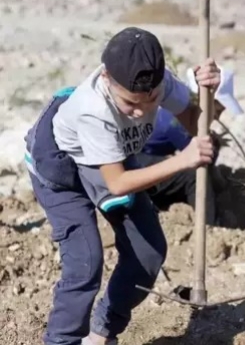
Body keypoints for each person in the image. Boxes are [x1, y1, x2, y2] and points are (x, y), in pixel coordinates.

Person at [23, 27, 221, 345]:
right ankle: (61, 341)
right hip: (60, 167)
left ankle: (101, 333)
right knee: (85, 260)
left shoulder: (158, 81)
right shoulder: (93, 108)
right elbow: (116, 183)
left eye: (152, 100)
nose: (142, 111)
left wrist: (210, 92)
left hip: (109, 156)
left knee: (148, 253)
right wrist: (183, 160)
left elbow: (198, 120)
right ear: (106, 78)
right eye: (130, 104)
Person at [136, 67, 244, 226]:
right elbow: (201, 158)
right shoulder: (175, 120)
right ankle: (210, 228)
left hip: (148, 160)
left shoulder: (176, 109)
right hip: (138, 167)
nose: (217, 117)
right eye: (217, 110)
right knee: (194, 175)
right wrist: (215, 147)